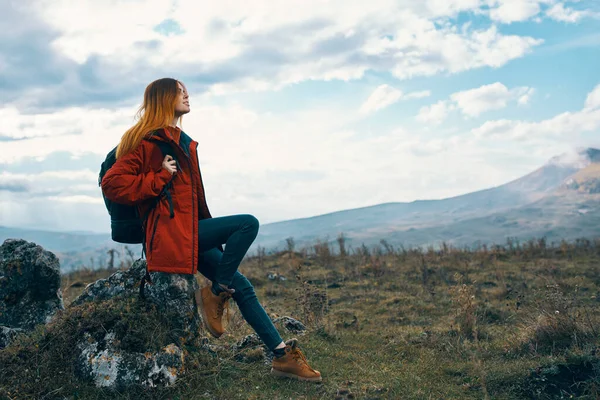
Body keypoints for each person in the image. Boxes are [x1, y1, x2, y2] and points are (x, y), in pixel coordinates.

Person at [101, 77, 321, 382]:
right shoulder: (147, 142)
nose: (188, 95)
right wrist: (160, 176)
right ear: (164, 98)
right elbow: (112, 184)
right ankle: (216, 292)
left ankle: (282, 356)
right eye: (180, 91)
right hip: (169, 234)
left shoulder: (179, 139)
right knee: (247, 224)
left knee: (241, 285)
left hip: (188, 231)